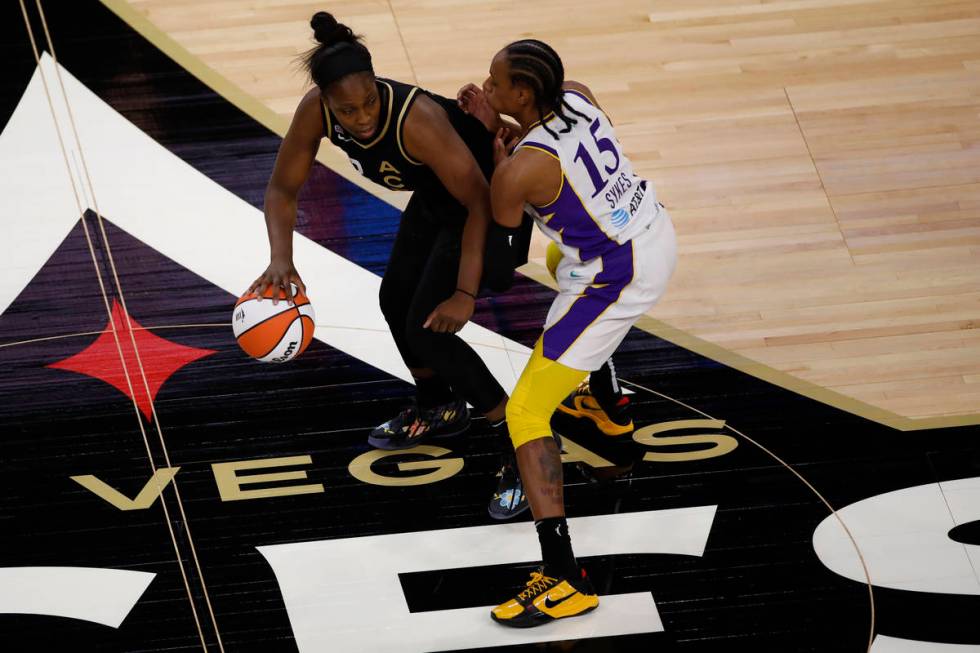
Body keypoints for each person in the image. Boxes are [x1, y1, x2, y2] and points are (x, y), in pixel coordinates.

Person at [467, 39, 678, 627]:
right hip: (654, 230)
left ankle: (564, 578)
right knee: (562, 262)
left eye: (495, 82)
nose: (487, 86)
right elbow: (556, 157)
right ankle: (607, 406)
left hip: (615, 276)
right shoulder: (579, 97)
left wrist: (495, 159)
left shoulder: (520, 170)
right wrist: (504, 127)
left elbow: (502, 266)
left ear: (524, 93)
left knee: (526, 413)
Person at [249, 12, 528, 450]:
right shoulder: (315, 111)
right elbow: (282, 189)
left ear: (378, 84)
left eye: (369, 103)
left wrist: (464, 295)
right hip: (439, 197)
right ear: (327, 102)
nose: (361, 118)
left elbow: (477, 202)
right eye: (347, 110)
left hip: (488, 201)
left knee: (427, 331)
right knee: (395, 300)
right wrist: (281, 258)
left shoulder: (416, 120)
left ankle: (520, 439)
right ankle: (439, 405)